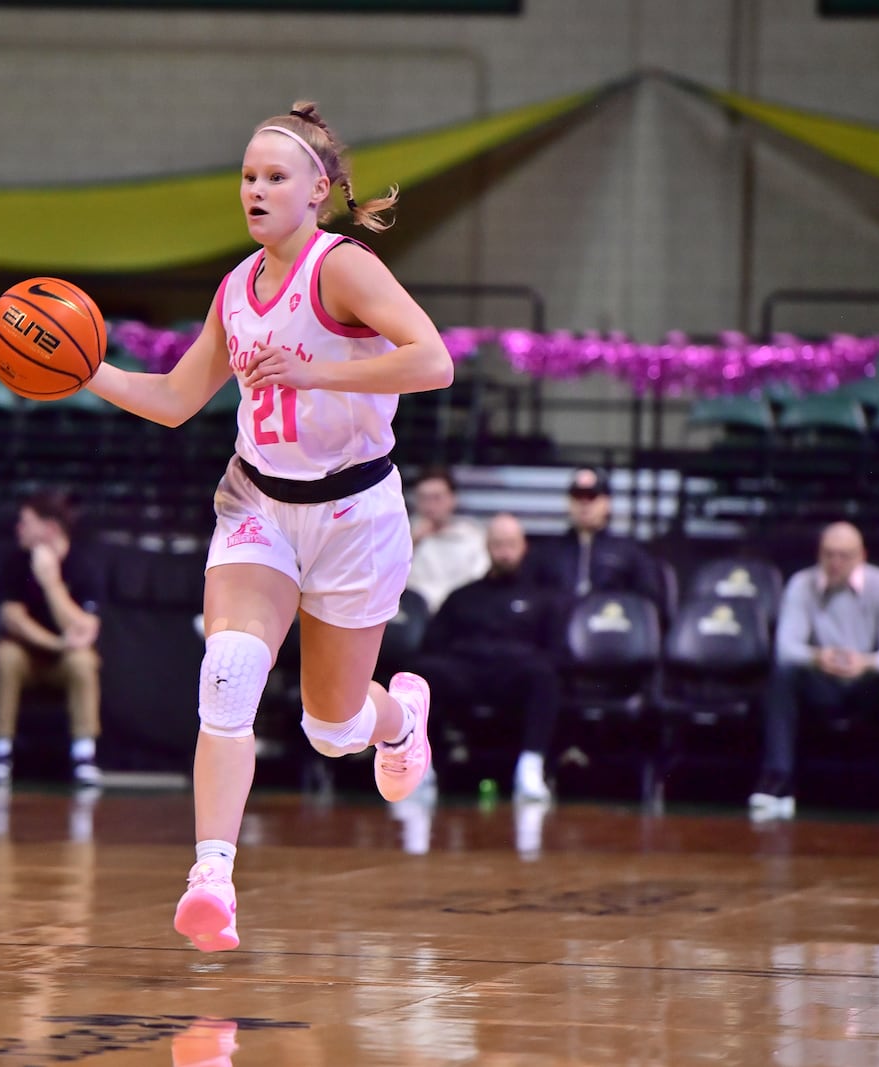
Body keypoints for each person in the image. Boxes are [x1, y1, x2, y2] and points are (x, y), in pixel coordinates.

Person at [85, 101, 452, 951]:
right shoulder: (234, 288)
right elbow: (178, 400)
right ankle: (211, 876)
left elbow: (434, 360)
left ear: (317, 190)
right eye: (247, 176)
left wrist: (318, 370)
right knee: (231, 664)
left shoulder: (344, 268)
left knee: (330, 727)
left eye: (274, 177)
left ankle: (396, 719)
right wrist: (85, 370)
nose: (255, 189)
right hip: (257, 502)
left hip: (357, 511)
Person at [750, 522, 879, 826]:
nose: (835, 563)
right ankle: (777, 783)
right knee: (783, 677)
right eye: (829, 555)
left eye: (844, 556)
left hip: (866, 683)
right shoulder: (801, 584)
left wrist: (866, 663)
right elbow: (787, 647)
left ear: (862, 556)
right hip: (822, 681)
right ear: (819, 554)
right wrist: (818, 656)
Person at [410, 514, 559, 803]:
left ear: (524, 546)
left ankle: (530, 768)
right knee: (423, 673)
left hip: (513, 676)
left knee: (544, 675)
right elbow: (433, 642)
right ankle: (421, 766)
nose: (505, 552)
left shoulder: (542, 599)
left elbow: (554, 650)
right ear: (487, 548)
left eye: (511, 544)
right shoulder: (462, 596)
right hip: (465, 674)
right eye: (498, 544)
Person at [0, 490, 106, 788]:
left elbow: (85, 629)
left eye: (26, 522)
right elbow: (13, 618)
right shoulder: (15, 562)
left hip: (65, 660)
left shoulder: (83, 565)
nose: (18, 528)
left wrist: (51, 584)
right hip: (30, 654)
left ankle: (84, 755)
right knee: (5, 655)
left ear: (49, 528)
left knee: (83, 662)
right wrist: (57, 643)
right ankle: (0, 751)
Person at [532, 466, 664, 621]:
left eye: (591, 496)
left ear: (607, 503)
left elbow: (649, 604)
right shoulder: (547, 553)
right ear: (568, 502)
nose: (584, 503)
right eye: (578, 495)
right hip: (558, 635)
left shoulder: (630, 552)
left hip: (612, 633)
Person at [406, 466, 488, 614]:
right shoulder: (402, 536)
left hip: (460, 612)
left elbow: (480, 580)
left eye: (437, 498)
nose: (430, 506)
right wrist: (412, 542)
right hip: (413, 613)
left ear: (452, 499)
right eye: (423, 498)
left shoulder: (472, 537)